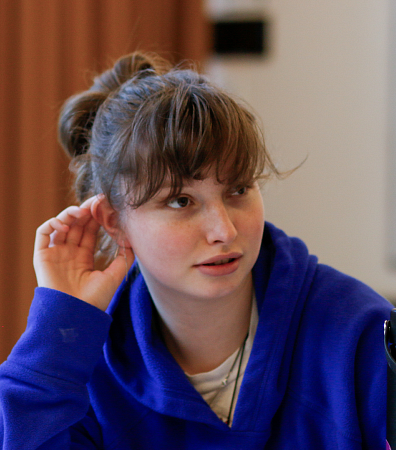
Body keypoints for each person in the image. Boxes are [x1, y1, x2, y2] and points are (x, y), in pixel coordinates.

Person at [0, 52, 392, 450]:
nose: (224, 230)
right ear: (114, 220)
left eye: (238, 190)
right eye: (180, 201)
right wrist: (59, 327)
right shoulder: (78, 369)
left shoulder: (363, 335)